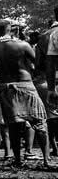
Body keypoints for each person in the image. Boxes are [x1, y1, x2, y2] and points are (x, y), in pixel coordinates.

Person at [0, 19, 50, 168]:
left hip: (6, 87)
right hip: (26, 85)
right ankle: (46, 160)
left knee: (13, 125)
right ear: (9, 29)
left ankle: (18, 160)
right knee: (39, 122)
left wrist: (2, 70)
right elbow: (38, 64)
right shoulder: (22, 45)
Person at [35, 8, 58, 158]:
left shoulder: (45, 37)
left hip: (49, 80)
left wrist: (50, 87)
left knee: (51, 116)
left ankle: (54, 145)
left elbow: (42, 64)